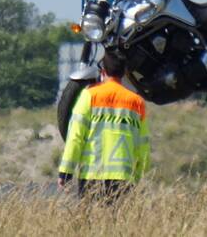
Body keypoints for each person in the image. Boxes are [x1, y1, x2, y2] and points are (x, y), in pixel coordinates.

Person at [58, 52, 150, 200]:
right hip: (124, 178)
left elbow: (75, 137)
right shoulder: (137, 102)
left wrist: (66, 172)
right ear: (124, 73)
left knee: (91, 215)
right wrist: (138, 177)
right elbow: (143, 145)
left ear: (103, 71)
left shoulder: (89, 96)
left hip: (92, 175)